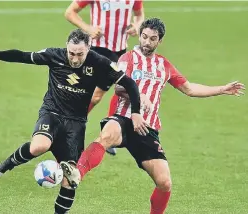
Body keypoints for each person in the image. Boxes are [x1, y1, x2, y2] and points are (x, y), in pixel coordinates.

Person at [60, 18, 245, 214]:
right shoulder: (127, 58)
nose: (147, 42)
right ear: (139, 35)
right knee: (107, 135)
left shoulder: (164, 65)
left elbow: (189, 88)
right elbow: (120, 87)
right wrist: (140, 96)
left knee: (164, 182)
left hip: (147, 128)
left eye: (152, 39)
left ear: (160, 41)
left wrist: (222, 89)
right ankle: (77, 173)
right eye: (144, 37)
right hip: (124, 118)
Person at [0, 29, 148, 214]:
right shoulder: (54, 55)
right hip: (52, 113)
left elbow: (129, 83)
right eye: (72, 53)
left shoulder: (100, 62)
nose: (75, 59)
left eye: (80, 54)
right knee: (39, 146)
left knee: (70, 180)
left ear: (88, 49)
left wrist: (136, 113)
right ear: (67, 47)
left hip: (76, 123)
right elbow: (22, 56)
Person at [65, 0, 145, 155]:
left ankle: (107, 130)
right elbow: (70, 12)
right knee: (94, 96)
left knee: (121, 90)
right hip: (98, 50)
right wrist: (88, 28)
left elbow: (139, 14)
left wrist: (137, 26)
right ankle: (71, 126)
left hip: (121, 52)